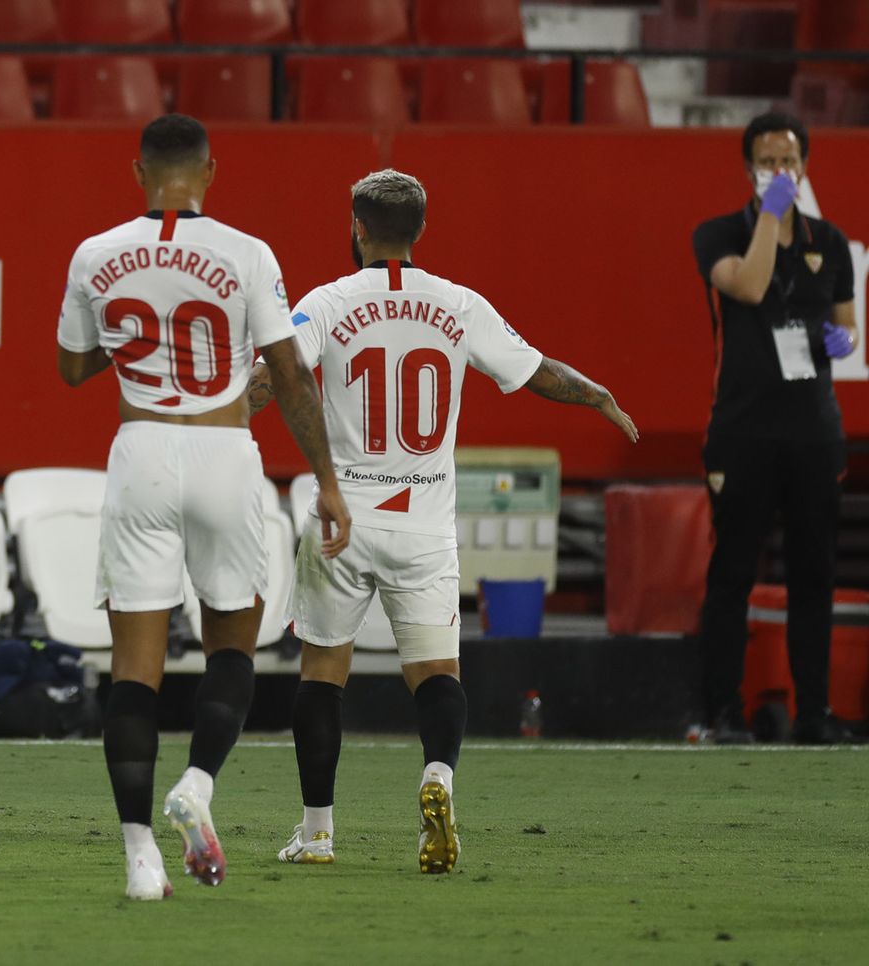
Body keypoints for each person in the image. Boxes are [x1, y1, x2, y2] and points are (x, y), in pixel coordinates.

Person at [246, 169, 637, 874]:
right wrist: (596, 395)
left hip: (346, 517)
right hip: (425, 523)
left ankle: (319, 832)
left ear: (357, 227)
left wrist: (227, 415)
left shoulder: (329, 302)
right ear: (420, 231)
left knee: (322, 673)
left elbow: (276, 372)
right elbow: (536, 370)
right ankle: (437, 778)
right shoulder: (459, 304)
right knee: (435, 673)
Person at [56, 114, 351, 901]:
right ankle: (197, 782)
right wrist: (324, 479)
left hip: (142, 450)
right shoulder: (247, 252)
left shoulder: (96, 253)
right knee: (233, 649)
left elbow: (73, 367)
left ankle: (139, 859)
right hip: (224, 452)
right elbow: (289, 375)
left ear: (137, 170)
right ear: (210, 172)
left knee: (134, 669)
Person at [691, 112, 857, 746]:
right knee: (732, 571)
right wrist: (771, 214)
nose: (779, 172)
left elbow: (848, 327)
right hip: (742, 431)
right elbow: (754, 286)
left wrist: (843, 340)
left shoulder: (832, 242)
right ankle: (722, 713)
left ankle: (815, 714)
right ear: (748, 169)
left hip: (814, 432)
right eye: (767, 162)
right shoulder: (718, 235)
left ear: (805, 166)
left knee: (814, 575)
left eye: (789, 161)